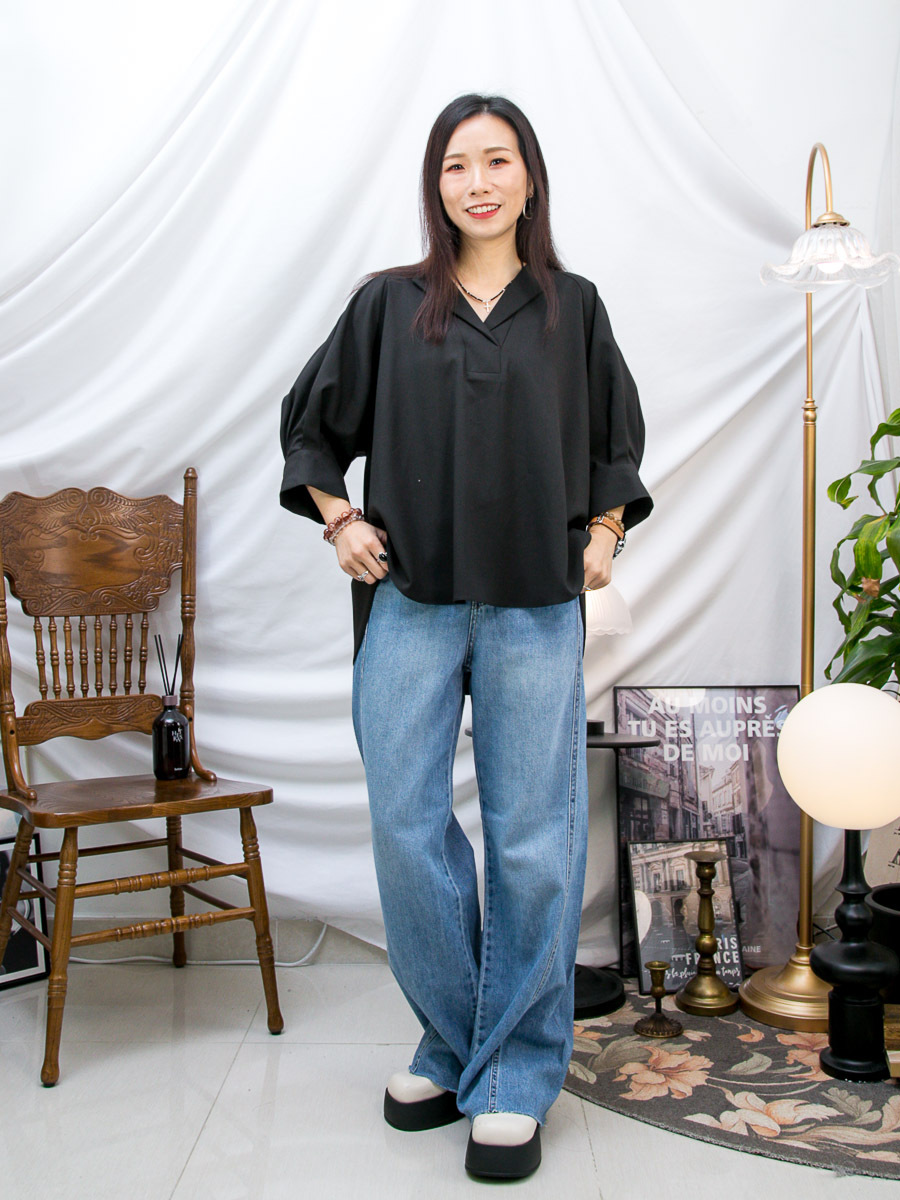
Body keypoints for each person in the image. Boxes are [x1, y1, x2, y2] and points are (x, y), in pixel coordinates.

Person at [280, 93, 652, 1181]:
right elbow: (312, 428)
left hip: (536, 603)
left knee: (533, 838)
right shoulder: (389, 304)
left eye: (497, 160)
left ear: (529, 178)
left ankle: (513, 1076)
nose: (477, 182)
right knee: (406, 827)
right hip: (411, 597)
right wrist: (340, 521)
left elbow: (616, 444)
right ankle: (456, 1043)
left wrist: (604, 532)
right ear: (435, 185)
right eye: (456, 165)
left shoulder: (574, 309)